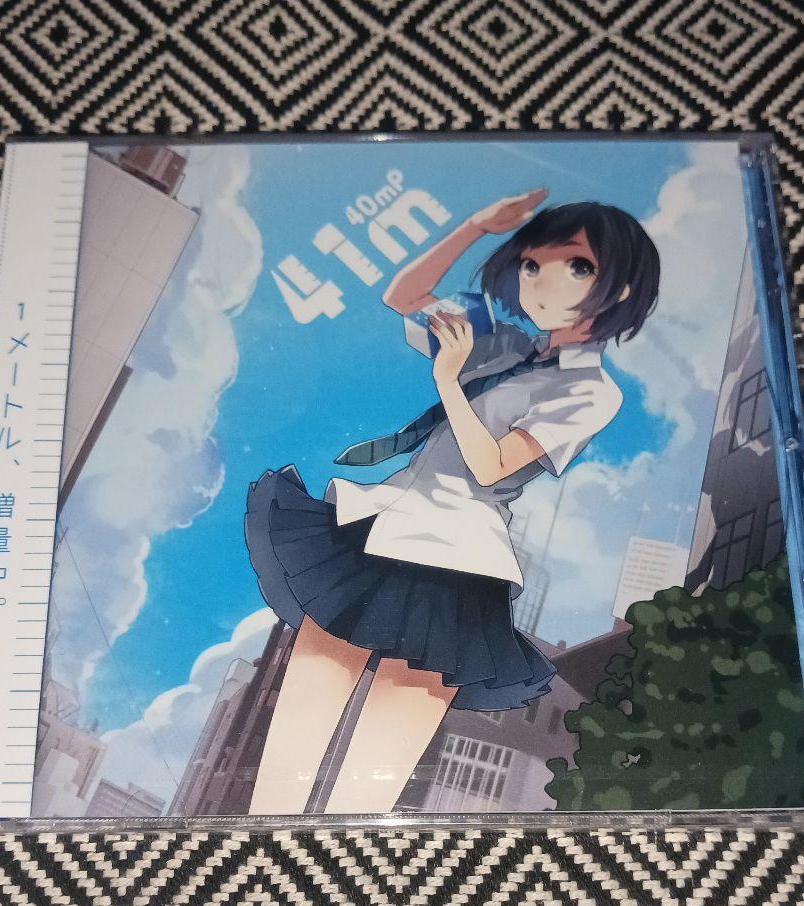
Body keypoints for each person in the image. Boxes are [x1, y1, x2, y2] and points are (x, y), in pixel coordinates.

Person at [244, 188, 660, 815]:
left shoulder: (591, 390)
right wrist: (473, 226)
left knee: (367, 793)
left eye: (576, 265)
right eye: (532, 262)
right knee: (281, 772)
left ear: (621, 290)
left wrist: (448, 379)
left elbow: (491, 465)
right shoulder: (503, 347)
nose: (542, 279)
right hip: (378, 531)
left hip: (458, 565)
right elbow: (403, 297)